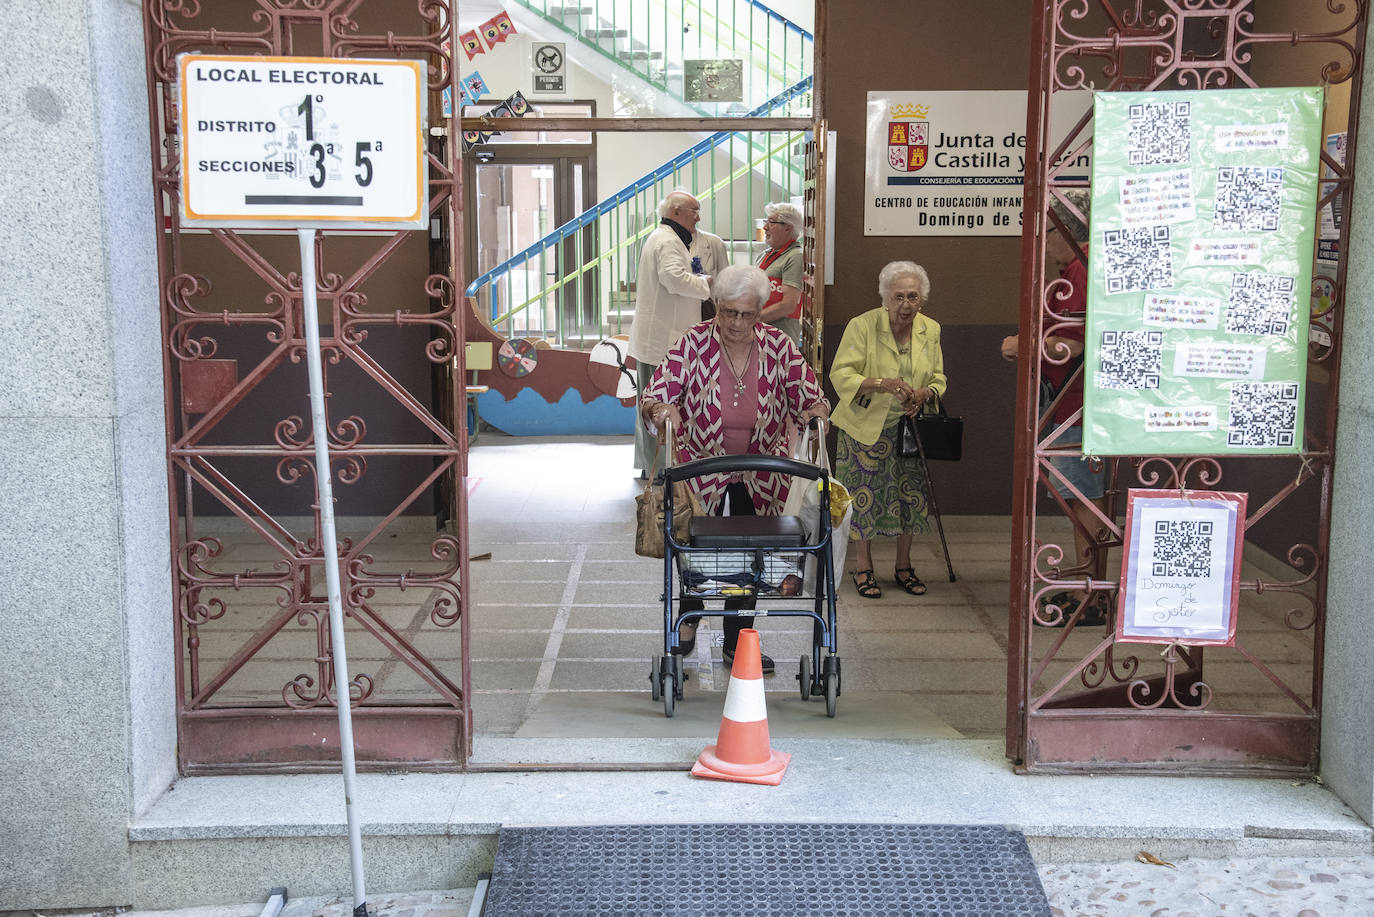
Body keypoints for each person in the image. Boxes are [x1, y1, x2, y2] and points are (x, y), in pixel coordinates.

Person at [640, 264, 830, 675]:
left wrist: (816, 410)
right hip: (702, 466)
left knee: (752, 556)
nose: (736, 323)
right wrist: (661, 408)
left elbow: (807, 393)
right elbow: (659, 389)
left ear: (761, 310)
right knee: (695, 547)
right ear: (716, 307)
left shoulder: (778, 345)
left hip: (762, 469)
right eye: (728, 312)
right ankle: (690, 612)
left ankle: (736, 640)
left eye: (747, 314)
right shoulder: (693, 342)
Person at [1000, 190, 1108, 627]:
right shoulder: (1072, 271)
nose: (1041, 243)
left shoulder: (1082, 272)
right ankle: (1088, 583)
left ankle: (1095, 592)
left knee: (1085, 499)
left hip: (1077, 405)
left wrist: (1023, 346)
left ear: (1065, 230)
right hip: (1066, 402)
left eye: (1044, 233)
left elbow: (1075, 344)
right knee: (1077, 496)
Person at [829, 261, 947, 600]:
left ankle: (903, 566)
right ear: (885, 298)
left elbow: (939, 377)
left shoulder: (931, 329)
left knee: (909, 498)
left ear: (922, 299)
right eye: (898, 297)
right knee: (862, 499)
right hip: (864, 427)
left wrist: (925, 394)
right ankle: (863, 567)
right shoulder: (862, 326)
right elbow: (842, 375)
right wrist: (881, 384)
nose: (906, 305)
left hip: (909, 428)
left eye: (913, 297)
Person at [628, 190, 714, 480]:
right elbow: (674, 278)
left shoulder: (671, 239)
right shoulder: (666, 240)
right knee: (656, 407)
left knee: (656, 406)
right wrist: (708, 284)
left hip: (663, 339)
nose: (698, 217)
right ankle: (659, 468)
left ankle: (657, 465)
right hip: (661, 341)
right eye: (694, 210)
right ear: (676, 212)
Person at [755, 202, 805, 346]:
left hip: (779, 340)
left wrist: (750, 320)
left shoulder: (795, 256)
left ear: (788, 228)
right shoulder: (765, 254)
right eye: (766, 222)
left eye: (771, 222)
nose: (765, 227)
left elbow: (788, 305)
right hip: (758, 335)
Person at [692, 227, 730, 321]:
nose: (697, 218)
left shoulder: (714, 242)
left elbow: (727, 285)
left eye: (696, 212)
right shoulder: (666, 243)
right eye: (693, 212)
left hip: (709, 315)